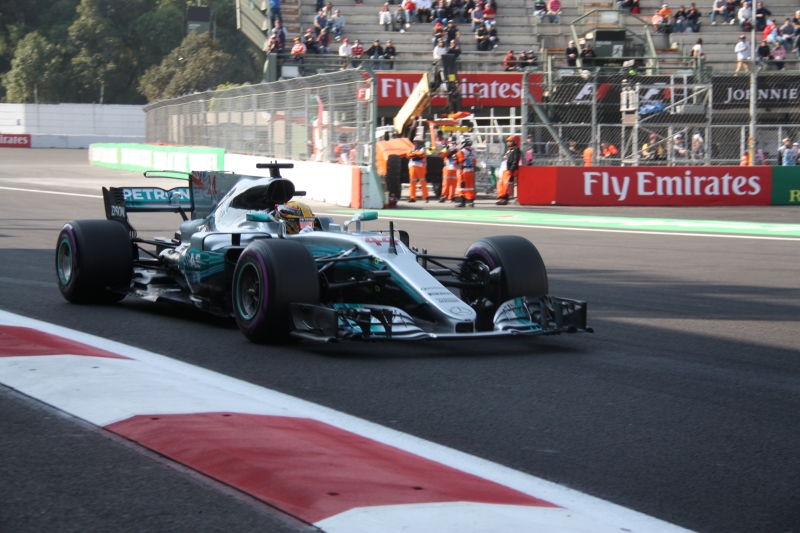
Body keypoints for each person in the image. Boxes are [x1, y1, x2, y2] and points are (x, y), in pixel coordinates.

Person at [496, 136, 521, 205]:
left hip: (509, 169)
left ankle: (505, 198)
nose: (508, 143)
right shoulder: (508, 150)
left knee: (507, 185)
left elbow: (515, 160)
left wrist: (512, 169)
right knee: (500, 183)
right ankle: (501, 197)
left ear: (513, 142)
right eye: (507, 141)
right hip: (503, 169)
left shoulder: (515, 149)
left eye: (509, 141)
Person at [455, 138, 476, 207]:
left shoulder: (461, 152)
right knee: (470, 186)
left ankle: (463, 202)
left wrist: (455, 158)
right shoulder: (473, 151)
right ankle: (471, 201)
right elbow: (474, 161)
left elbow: (459, 161)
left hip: (464, 171)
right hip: (471, 170)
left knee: (462, 186)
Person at [407, 137, 429, 202]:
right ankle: (412, 197)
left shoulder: (423, 148)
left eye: (418, 141)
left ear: (421, 142)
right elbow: (408, 155)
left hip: (421, 166)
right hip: (412, 166)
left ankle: (426, 197)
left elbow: (421, 154)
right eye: (415, 142)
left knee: (423, 182)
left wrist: (413, 154)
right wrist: (415, 154)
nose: (416, 143)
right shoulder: (412, 148)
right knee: (412, 182)